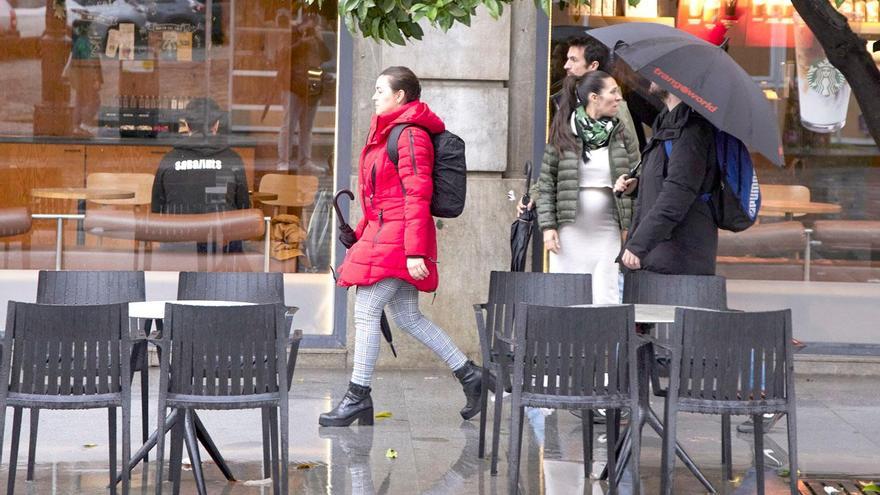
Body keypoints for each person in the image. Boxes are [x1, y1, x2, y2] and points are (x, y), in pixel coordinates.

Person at [319, 66, 482, 427]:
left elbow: (417, 194)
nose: (373, 96)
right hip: (386, 233)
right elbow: (381, 199)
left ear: (400, 96)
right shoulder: (388, 134)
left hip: (400, 240)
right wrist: (360, 231)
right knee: (407, 317)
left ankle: (357, 397)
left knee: (366, 310)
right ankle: (472, 376)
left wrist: (413, 252)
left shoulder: (410, 136)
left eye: (380, 90)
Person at [534, 71, 640, 305]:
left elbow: (638, 175)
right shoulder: (563, 130)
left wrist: (630, 185)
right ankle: (567, 343)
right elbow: (547, 182)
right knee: (567, 299)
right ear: (594, 97)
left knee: (606, 298)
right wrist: (548, 227)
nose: (618, 98)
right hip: (569, 232)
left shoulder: (621, 132)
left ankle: (607, 343)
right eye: (613, 92)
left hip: (608, 230)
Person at [614, 81, 719, 275]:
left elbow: (677, 194)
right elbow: (666, 179)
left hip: (677, 259)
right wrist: (636, 186)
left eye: (659, 73)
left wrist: (639, 244)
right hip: (659, 254)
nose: (652, 78)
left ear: (676, 81)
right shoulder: (666, 121)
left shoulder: (691, 130)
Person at [151, 98, 250, 253]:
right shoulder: (232, 159)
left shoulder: (169, 159)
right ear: (216, 125)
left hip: (178, 246)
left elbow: (156, 211)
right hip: (221, 247)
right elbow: (244, 208)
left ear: (187, 126)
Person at [274, 12, 332, 174]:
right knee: (288, 125)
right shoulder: (292, 33)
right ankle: (283, 161)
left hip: (312, 83)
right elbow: (283, 54)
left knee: (307, 127)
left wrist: (319, 38)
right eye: (310, 21)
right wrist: (301, 39)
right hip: (293, 83)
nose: (312, 25)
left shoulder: (315, 38)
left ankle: (305, 160)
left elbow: (327, 56)